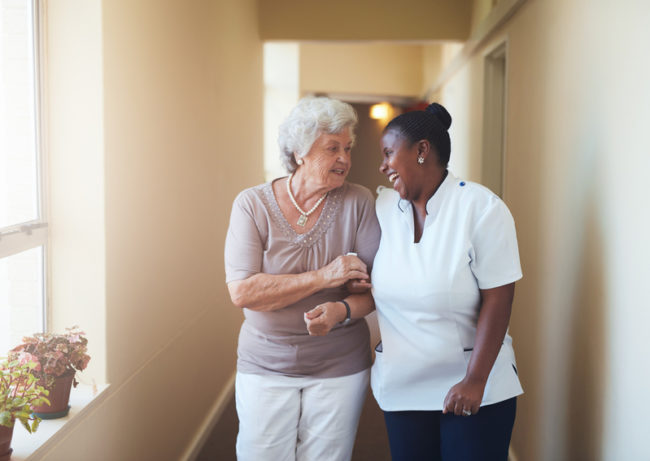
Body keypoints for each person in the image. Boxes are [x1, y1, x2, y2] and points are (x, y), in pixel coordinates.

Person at [224, 96, 380, 461]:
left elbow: (375, 291)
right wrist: (328, 275)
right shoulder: (252, 205)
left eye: (347, 147)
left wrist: (341, 309)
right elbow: (244, 292)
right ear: (299, 153)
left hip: (339, 364)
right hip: (265, 362)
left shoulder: (358, 202)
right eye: (332, 148)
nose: (345, 158)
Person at [370, 102, 523, 461]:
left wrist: (475, 380)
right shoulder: (382, 210)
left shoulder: (482, 208)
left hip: (472, 388)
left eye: (389, 153)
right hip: (403, 389)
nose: (382, 165)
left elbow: (499, 299)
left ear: (422, 150)